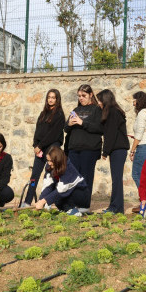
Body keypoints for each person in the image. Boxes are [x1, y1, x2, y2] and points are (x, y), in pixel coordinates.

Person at [23, 89, 65, 207]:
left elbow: (53, 134)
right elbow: (37, 131)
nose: (51, 99)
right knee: (34, 177)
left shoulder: (59, 115)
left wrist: (40, 146)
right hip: (40, 150)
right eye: (49, 97)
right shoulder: (43, 114)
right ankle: (27, 201)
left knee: (50, 176)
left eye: (53, 97)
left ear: (57, 99)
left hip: (51, 148)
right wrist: (35, 146)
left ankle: (47, 202)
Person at [65, 84, 103, 212]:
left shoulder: (97, 109)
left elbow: (99, 128)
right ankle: (73, 204)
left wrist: (83, 123)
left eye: (84, 96)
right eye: (79, 96)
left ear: (91, 95)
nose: (81, 98)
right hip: (74, 148)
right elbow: (65, 129)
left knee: (86, 176)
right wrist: (69, 124)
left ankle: (84, 205)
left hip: (89, 149)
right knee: (73, 177)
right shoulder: (75, 109)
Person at [34, 146, 91, 216]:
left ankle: (77, 210)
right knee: (55, 197)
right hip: (67, 193)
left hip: (80, 195)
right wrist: (40, 201)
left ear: (57, 160)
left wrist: (43, 201)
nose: (49, 163)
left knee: (58, 194)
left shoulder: (68, 168)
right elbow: (48, 186)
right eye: (47, 160)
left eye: (51, 161)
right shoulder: (49, 166)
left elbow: (61, 190)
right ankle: (68, 210)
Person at [98, 89, 129, 214]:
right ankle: (115, 206)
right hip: (117, 150)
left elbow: (111, 134)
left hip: (118, 150)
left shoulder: (112, 112)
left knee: (116, 179)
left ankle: (116, 208)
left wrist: (105, 151)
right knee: (116, 178)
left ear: (105, 100)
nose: (98, 103)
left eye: (100, 100)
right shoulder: (113, 111)